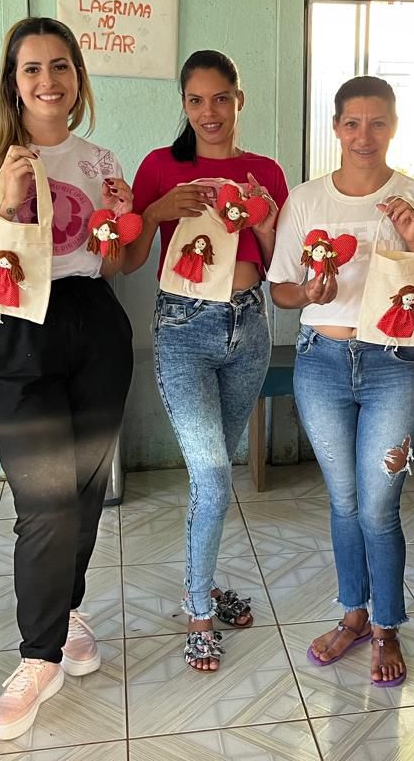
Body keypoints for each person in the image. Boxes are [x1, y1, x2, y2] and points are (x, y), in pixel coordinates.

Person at [0, 17, 133, 739]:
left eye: (60, 66)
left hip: (92, 319)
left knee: (83, 488)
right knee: (44, 499)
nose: (47, 80)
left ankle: (65, 606)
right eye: (31, 69)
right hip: (14, 323)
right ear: (12, 81)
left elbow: (116, 264)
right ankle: (38, 655)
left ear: (78, 76)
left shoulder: (101, 156)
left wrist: (118, 229)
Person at [269, 75, 414, 686]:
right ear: (335, 128)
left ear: (394, 126)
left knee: (379, 506)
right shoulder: (305, 200)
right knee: (344, 499)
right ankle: (353, 615)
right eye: (352, 123)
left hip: (395, 367)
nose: (363, 135)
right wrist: (310, 292)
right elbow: (281, 289)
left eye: (377, 122)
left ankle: (386, 626)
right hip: (321, 361)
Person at [118, 50, 289, 672]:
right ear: (183, 105)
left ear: (238, 99)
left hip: (248, 327)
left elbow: (282, 267)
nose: (209, 112)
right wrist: (157, 211)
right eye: (196, 101)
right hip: (183, 329)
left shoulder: (265, 170)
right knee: (213, 480)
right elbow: (128, 258)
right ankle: (198, 609)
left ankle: (205, 583)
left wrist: (265, 218)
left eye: (221, 98)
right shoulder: (162, 167)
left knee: (214, 478)